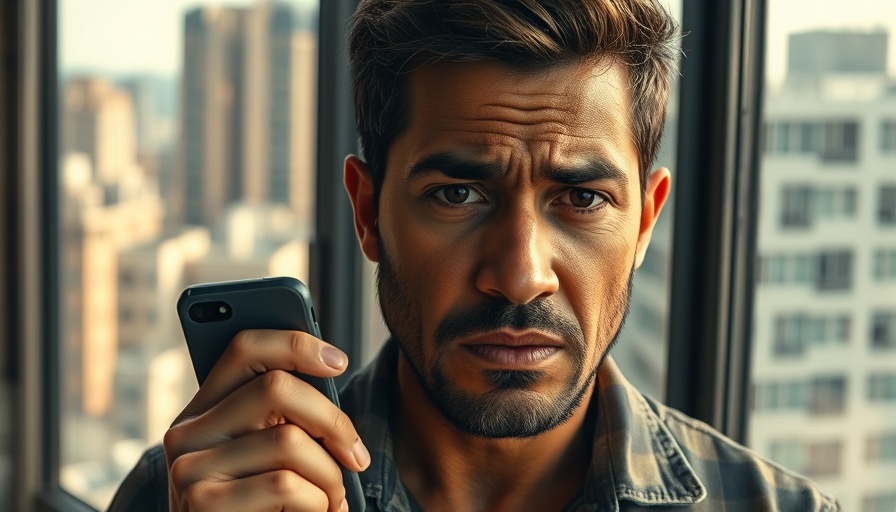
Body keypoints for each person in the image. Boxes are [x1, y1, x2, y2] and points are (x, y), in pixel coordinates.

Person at [110, 1, 841, 510]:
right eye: (458, 194)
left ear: (646, 221)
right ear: (367, 211)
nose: (520, 275)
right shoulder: (190, 493)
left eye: (582, 200)